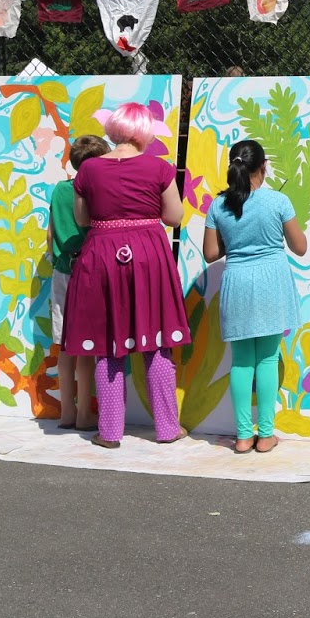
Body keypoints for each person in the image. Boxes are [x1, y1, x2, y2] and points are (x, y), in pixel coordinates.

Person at [63, 102, 190, 449]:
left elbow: (82, 220)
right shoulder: (159, 168)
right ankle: (167, 428)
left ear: (114, 128)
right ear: (143, 132)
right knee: (158, 341)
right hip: (149, 254)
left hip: (102, 254)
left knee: (108, 344)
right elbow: (175, 217)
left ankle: (109, 431)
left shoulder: (87, 171)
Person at [202, 140, 307, 453]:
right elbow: (300, 247)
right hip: (271, 282)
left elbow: (210, 253)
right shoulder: (279, 201)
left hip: (237, 283)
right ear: (264, 166)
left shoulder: (218, 206)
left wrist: (235, 240)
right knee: (268, 358)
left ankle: (244, 436)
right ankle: (266, 436)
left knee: (241, 361)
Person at [48, 133, 110, 430]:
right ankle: (85, 413)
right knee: (85, 347)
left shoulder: (60, 190)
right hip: (89, 271)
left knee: (63, 345)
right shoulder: (99, 193)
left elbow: (50, 235)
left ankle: (66, 412)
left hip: (62, 269)